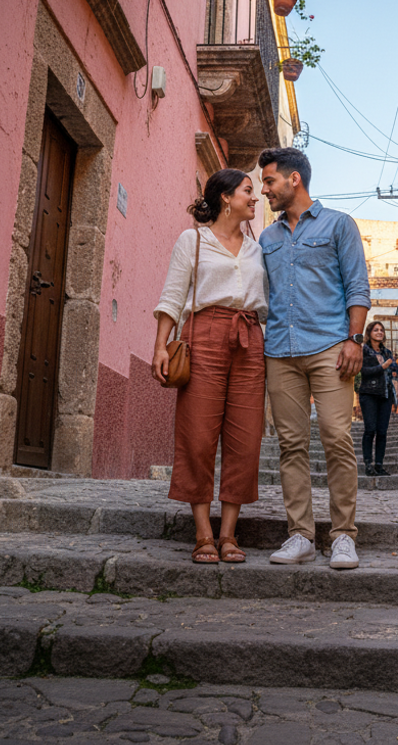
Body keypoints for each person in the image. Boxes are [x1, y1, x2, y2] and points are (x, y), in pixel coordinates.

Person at [258, 147, 371, 570]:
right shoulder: (266, 239)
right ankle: (300, 535)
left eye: (270, 181)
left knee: (337, 438)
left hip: (329, 348)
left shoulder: (339, 225)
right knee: (291, 445)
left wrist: (354, 339)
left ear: (294, 180)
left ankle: (343, 536)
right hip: (280, 352)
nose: (265, 190)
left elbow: (357, 285)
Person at [152, 169, 267, 564]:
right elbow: (172, 295)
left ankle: (229, 535)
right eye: (249, 192)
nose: (255, 199)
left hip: (250, 340)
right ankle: (203, 533)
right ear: (225, 198)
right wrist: (161, 346)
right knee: (197, 435)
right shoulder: (193, 240)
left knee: (246, 440)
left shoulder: (256, 248)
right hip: (203, 334)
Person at [357, 321, 396, 476]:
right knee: (370, 429)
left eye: (381, 330)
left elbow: (393, 370)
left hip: (385, 395)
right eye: (376, 330)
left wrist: (392, 368)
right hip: (369, 394)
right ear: (370, 333)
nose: (380, 332)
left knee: (382, 431)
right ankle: (368, 464)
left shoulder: (387, 352)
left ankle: (379, 465)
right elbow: (362, 371)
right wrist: (382, 367)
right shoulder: (363, 350)